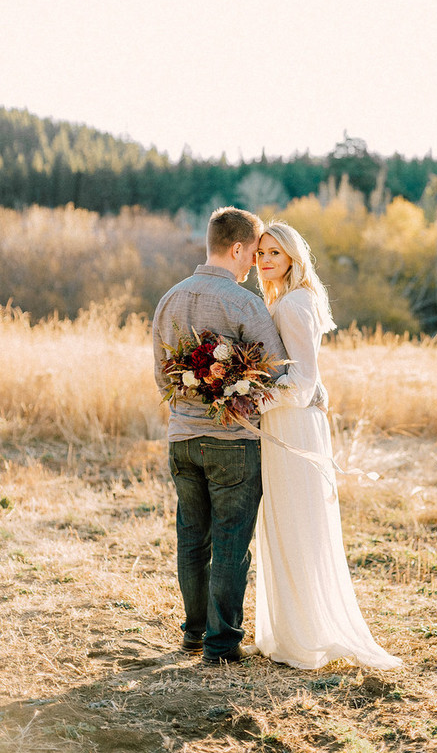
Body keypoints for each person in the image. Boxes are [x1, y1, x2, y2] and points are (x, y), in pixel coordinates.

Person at [255, 221, 403, 670]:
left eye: (274, 254)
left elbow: (302, 384)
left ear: (294, 259)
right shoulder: (287, 299)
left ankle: (304, 637)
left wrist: (248, 401)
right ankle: (292, 629)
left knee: (296, 521)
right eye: (261, 253)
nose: (264, 261)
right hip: (289, 421)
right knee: (289, 520)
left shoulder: (295, 305)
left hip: (291, 423)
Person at [152, 207, 287, 665]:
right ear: (236, 249)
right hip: (233, 444)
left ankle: (193, 634)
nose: (253, 264)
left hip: (182, 440)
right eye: (252, 253)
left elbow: (161, 377)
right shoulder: (244, 303)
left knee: (192, 539)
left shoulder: (169, 299)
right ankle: (222, 645)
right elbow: (275, 371)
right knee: (230, 542)